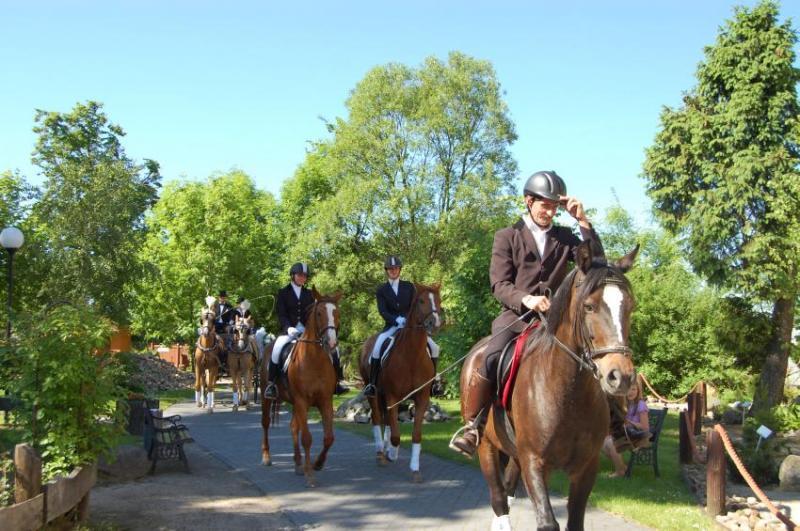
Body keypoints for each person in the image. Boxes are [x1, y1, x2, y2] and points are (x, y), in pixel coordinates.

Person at [449, 170, 598, 458]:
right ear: (528, 201)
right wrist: (526, 299)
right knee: (491, 358)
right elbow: (499, 284)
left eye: (555, 206)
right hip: (517, 318)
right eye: (545, 205)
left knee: (596, 354)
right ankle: (474, 426)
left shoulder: (566, 237)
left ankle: (618, 426)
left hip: (556, 321)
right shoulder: (507, 236)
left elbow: (594, 262)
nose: (550, 211)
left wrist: (583, 221)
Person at [264, 263, 348, 399]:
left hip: (306, 331)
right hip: (289, 330)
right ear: (293, 276)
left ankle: (338, 381)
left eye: (304, 276)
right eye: (300, 275)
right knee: (277, 349)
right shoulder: (283, 292)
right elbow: (281, 313)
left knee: (335, 350)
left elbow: (313, 314)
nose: (302, 278)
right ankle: (272, 384)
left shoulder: (309, 294)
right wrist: (288, 327)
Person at [363, 255, 443, 398]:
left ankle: (434, 382)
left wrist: (408, 319)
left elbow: (415, 306)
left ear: (400, 270)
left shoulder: (409, 287)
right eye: (390, 269)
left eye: (396, 268)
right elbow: (382, 311)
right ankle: (372, 385)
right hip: (391, 327)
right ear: (386, 271)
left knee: (434, 347)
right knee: (376, 348)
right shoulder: (382, 289)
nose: (393, 271)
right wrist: (395, 320)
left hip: (410, 326)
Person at [602, 377, 650, 477]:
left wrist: (629, 422)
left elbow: (645, 428)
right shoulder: (627, 404)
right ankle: (622, 467)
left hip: (640, 437)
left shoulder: (641, 405)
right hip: (628, 434)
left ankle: (620, 471)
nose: (630, 392)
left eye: (633, 389)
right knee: (604, 442)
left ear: (638, 390)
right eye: (628, 389)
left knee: (612, 442)